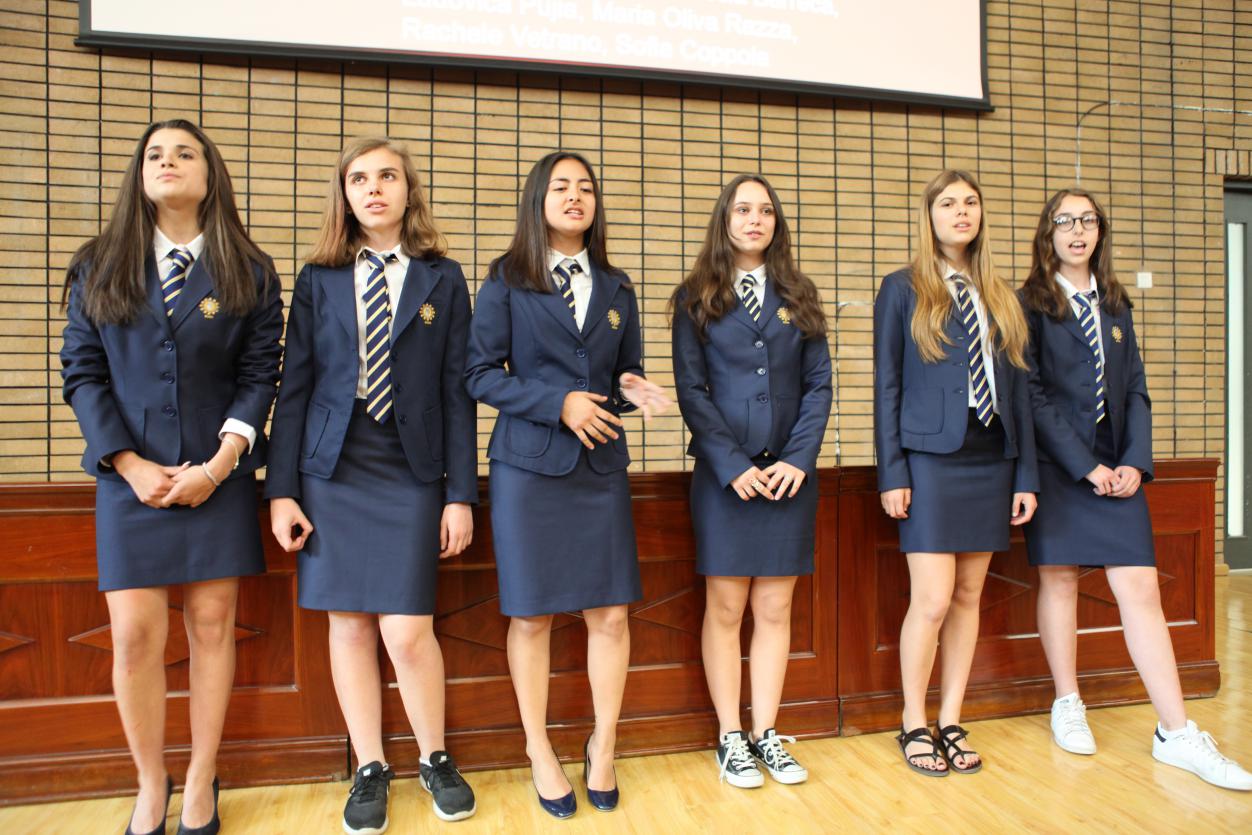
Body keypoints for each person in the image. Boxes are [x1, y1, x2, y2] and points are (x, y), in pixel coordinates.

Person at [60, 118, 284, 835]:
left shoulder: (249, 269)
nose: (168, 162)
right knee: (134, 637)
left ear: (210, 174)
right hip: (130, 482)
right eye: (155, 154)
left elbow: (261, 374)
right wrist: (127, 463)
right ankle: (150, 780)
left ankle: (200, 777)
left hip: (217, 478)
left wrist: (219, 466)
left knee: (213, 628)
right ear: (140, 174)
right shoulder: (99, 265)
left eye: (185, 153)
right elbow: (82, 372)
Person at [266, 138, 480, 830]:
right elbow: (294, 387)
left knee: (409, 630)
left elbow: (457, 392)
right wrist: (282, 489)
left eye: (387, 175)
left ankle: (434, 756)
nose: (374, 188)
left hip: (410, 466)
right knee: (350, 623)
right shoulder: (318, 278)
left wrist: (459, 493)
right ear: (345, 194)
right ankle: (369, 766)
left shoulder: (443, 277)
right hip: (333, 466)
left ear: (408, 189)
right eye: (359, 178)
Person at [1020, 187, 1252, 791]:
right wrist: (1083, 466)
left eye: (1088, 221)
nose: (1077, 231)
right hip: (1059, 467)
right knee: (1060, 580)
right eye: (1065, 221)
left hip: (1115, 468)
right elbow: (1032, 395)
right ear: (1048, 233)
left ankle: (1176, 731)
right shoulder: (1030, 304)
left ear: (1100, 232)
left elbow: (1135, 389)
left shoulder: (1115, 303)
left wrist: (1133, 462)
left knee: (1141, 588)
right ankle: (1067, 701)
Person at [464, 150, 670, 818]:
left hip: (598, 467)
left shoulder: (617, 285)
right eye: (561, 187)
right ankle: (539, 749)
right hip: (529, 470)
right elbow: (478, 374)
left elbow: (621, 371)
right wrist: (559, 403)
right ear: (539, 200)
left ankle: (603, 744)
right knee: (532, 615)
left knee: (610, 613)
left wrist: (632, 389)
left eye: (585, 187)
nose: (575, 196)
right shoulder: (506, 279)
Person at [873, 169, 1037, 777]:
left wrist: (1026, 475)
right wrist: (893, 471)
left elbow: (1019, 392)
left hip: (992, 456)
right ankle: (913, 720)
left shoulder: (1002, 295)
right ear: (930, 215)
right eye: (948, 203)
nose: (961, 212)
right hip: (931, 460)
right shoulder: (902, 289)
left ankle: (950, 718)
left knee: (970, 596)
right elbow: (887, 386)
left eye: (970, 202)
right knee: (934, 599)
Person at [670, 174, 832, 788]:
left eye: (765, 210)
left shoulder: (800, 293)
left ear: (776, 223)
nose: (755, 219)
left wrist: (798, 459)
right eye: (743, 209)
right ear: (725, 219)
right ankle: (729, 736)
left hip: (789, 478)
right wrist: (733, 464)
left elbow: (819, 385)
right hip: (725, 479)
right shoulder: (695, 297)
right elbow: (692, 390)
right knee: (726, 605)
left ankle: (766, 732)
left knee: (775, 605)